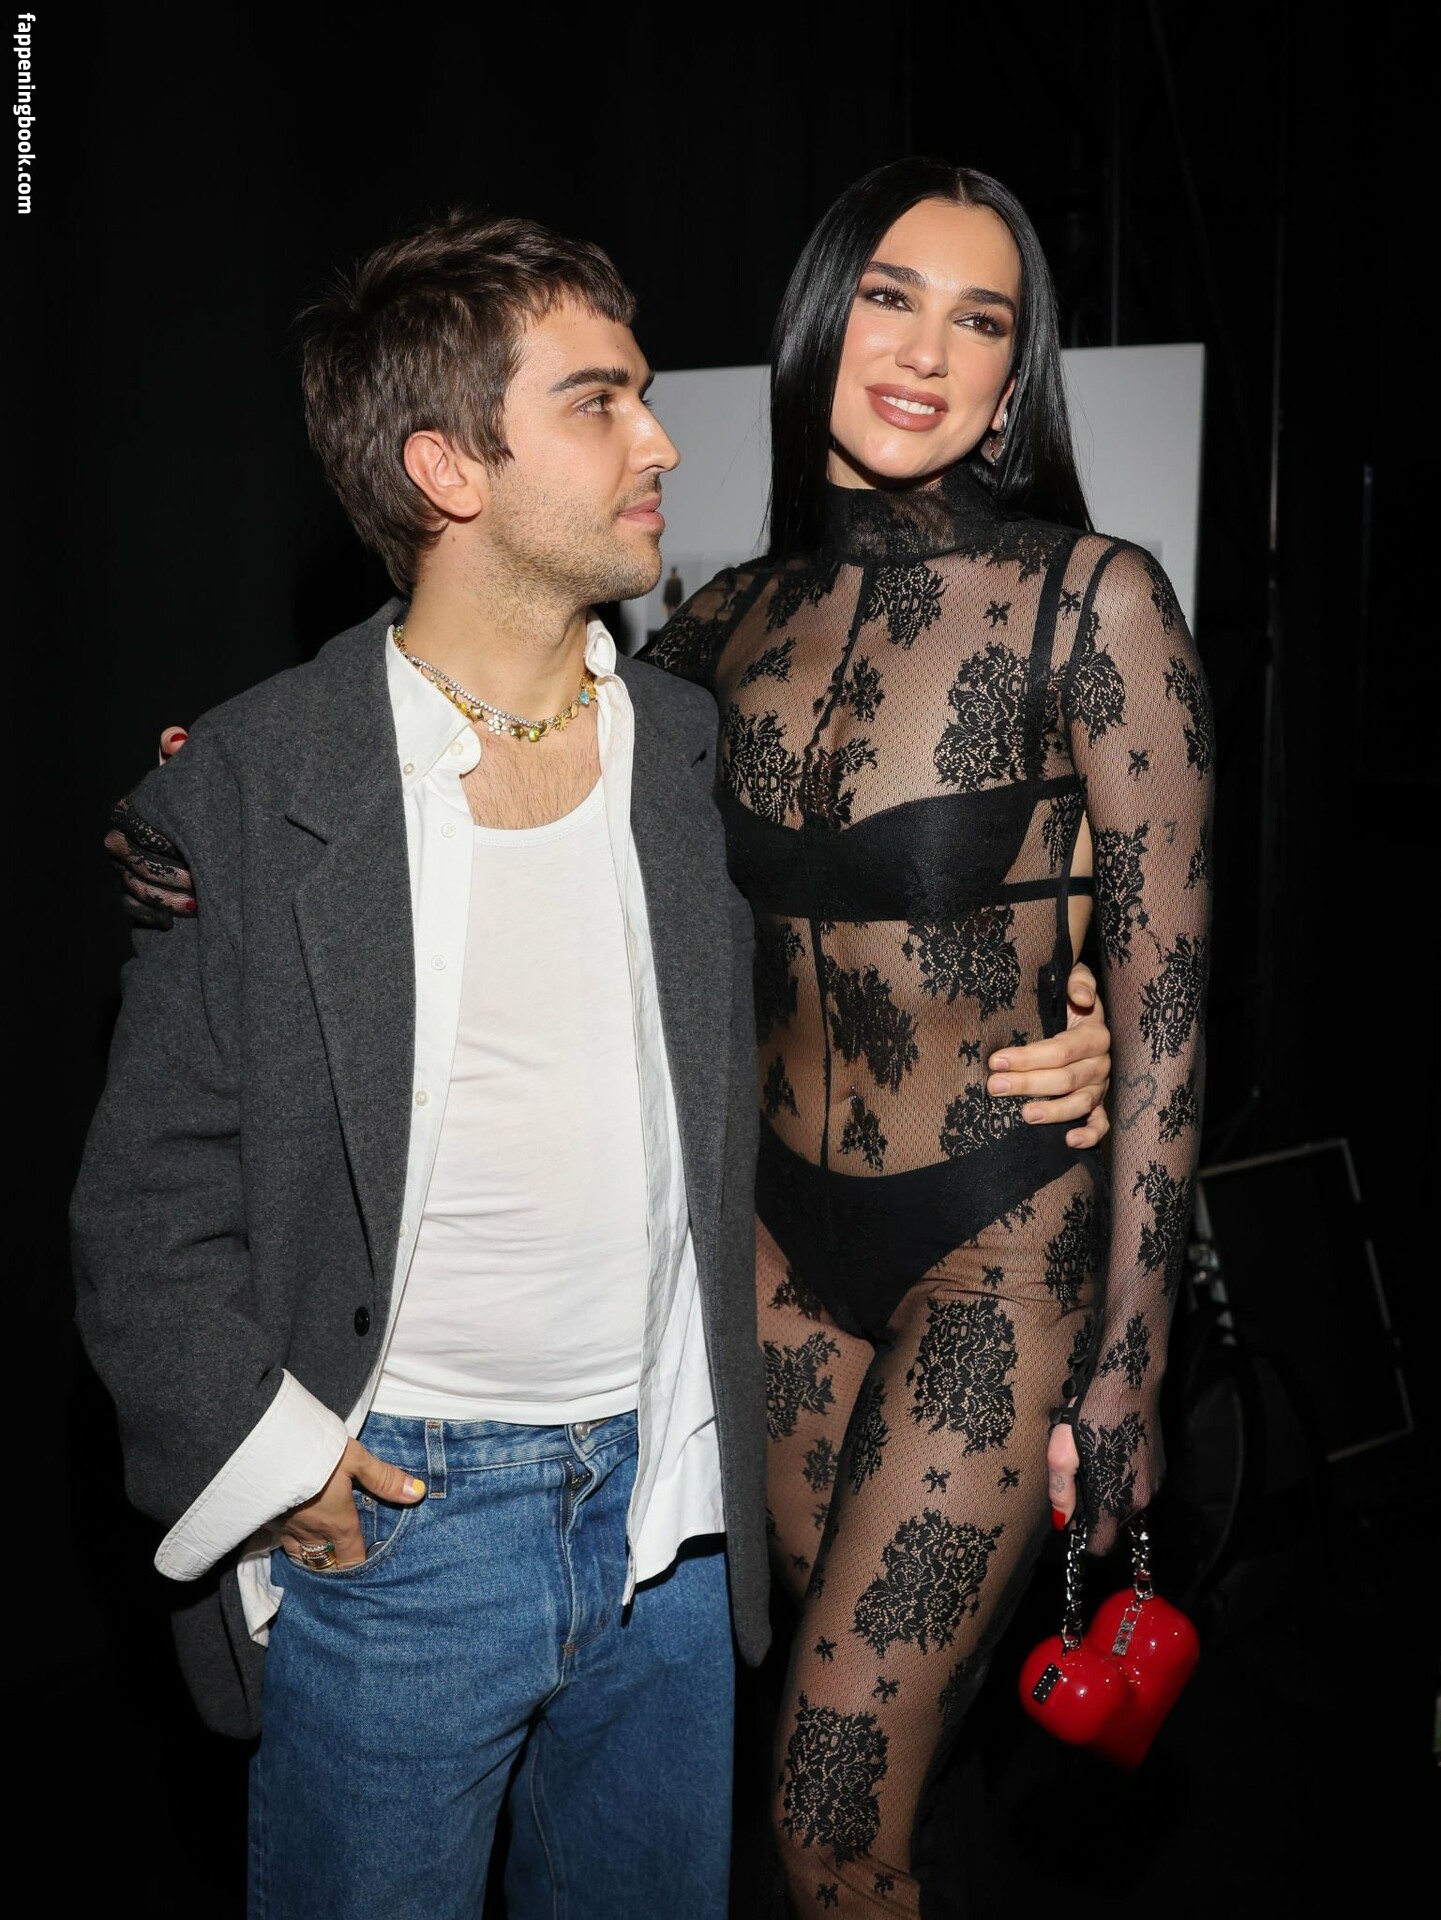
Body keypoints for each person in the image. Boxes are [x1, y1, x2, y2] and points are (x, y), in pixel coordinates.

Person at [75, 206, 1115, 1919]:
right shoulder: (257, 784)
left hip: (671, 1526)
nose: (661, 441)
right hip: (399, 1530)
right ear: (445, 468)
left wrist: (1071, 1023)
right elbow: (143, 1207)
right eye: (599, 402)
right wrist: (272, 1466)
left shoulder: (693, 741)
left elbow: (897, 920)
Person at [641, 158, 1213, 1916]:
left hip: (997, 1251)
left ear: (1015, 376)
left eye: (981, 321)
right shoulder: (707, 629)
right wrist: (232, 789)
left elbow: (1167, 1011)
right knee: (889, 1765)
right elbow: (489, 778)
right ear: (820, 316)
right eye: (889, 296)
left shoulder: (1091, 603)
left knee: (823, 1810)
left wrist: (1131, 1368)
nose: (924, 351)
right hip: (774, 1257)